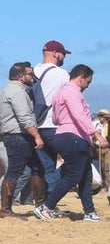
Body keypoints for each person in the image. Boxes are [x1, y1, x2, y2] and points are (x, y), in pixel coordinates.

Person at [34, 64, 108, 222]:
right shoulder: (73, 93)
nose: (88, 86)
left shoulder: (60, 93)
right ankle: (46, 206)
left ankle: (89, 211)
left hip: (64, 134)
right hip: (74, 137)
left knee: (85, 176)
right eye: (88, 82)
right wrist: (95, 134)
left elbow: (55, 119)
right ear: (81, 78)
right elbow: (79, 115)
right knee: (74, 175)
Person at [0, 61, 47, 218]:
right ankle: (6, 209)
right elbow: (24, 117)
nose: (33, 77)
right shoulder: (17, 92)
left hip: (15, 136)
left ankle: (38, 206)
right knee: (16, 171)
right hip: (18, 136)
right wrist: (37, 136)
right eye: (30, 74)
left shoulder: (7, 89)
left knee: (34, 169)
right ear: (21, 76)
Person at [33, 40, 72, 189]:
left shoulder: (32, 71)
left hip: (35, 126)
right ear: (55, 53)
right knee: (75, 160)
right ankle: (51, 194)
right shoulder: (61, 74)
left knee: (46, 166)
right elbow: (70, 97)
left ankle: (45, 202)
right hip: (54, 124)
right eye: (63, 54)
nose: (64, 57)